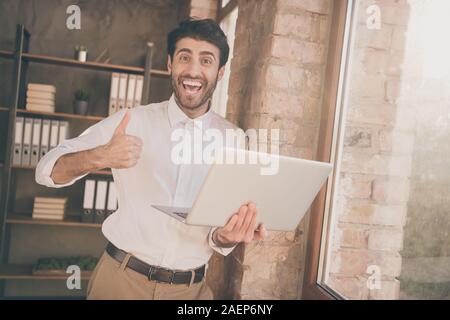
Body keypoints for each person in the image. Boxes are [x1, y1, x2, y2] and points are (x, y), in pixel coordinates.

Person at [35, 18, 266, 300]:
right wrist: (100, 156)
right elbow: (47, 170)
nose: (193, 71)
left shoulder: (235, 140)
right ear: (170, 64)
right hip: (119, 283)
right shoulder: (132, 121)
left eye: (206, 61)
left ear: (220, 72)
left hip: (191, 292)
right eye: (184, 58)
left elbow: (218, 233)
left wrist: (225, 238)